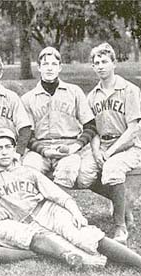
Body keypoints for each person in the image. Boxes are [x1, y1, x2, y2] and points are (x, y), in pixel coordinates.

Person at [0, 127, 141, 274]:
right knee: (77, 253)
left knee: (84, 236)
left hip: (47, 211)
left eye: (8, 147)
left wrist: (76, 213)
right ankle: (76, 256)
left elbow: (59, 195)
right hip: (23, 224)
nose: (4, 152)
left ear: (14, 148)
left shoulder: (27, 170)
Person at [77, 43, 141, 244]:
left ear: (114, 63)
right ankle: (123, 203)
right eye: (96, 63)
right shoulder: (92, 95)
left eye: (105, 61)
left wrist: (111, 152)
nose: (100, 66)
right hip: (102, 146)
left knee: (112, 170)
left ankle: (120, 226)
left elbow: (133, 130)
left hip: (127, 146)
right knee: (82, 176)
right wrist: (97, 152)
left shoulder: (129, 89)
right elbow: (92, 129)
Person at [21, 47, 97, 189]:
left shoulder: (74, 92)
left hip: (68, 148)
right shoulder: (27, 98)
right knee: (28, 170)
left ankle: (59, 209)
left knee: (68, 169)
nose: (49, 68)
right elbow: (26, 135)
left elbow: (91, 126)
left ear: (60, 67)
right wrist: (44, 151)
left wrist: (76, 146)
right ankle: (36, 210)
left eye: (54, 64)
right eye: (45, 64)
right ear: (39, 67)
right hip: (40, 150)